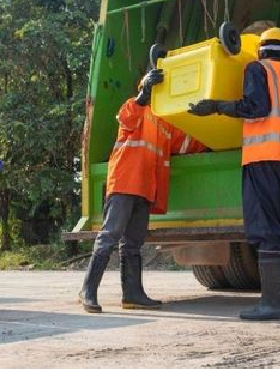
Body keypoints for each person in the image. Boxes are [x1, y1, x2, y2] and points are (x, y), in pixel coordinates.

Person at [188, 27, 280, 320]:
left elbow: (256, 108)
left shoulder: (257, 69)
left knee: (267, 228)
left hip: (263, 159)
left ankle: (274, 305)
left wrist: (216, 106)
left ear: (260, 50)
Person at [79, 69, 207, 314]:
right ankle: (88, 290)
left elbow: (190, 143)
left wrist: (206, 118)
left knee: (133, 243)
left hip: (145, 188)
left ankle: (133, 295)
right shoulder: (134, 108)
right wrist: (142, 96)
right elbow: (127, 117)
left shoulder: (166, 124)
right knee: (109, 236)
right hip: (126, 183)